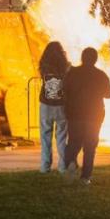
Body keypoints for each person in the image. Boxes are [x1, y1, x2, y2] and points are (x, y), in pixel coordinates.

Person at [62, 47, 110, 185]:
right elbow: (108, 94)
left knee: (73, 142)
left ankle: (70, 164)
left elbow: (64, 90)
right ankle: (85, 177)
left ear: (82, 58)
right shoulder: (100, 75)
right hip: (94, 115)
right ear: (95, 59)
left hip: (75, 114)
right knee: (90, 146)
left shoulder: (72, 73)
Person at [38, 42, 70, 173]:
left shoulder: (43, 66)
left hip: (46, 104)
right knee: (62, 136)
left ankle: (45, 167)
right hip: (62, 105)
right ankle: (63, 166)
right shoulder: (66, 66)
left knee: (45, 136)